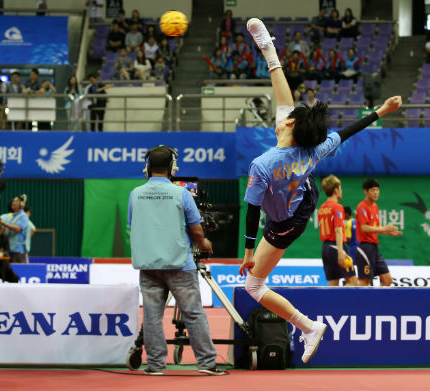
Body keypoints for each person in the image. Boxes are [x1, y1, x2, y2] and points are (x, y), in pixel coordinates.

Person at [240, 17, 402, 364]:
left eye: (289, 116)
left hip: (284, 222)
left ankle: (308, 326)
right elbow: (347, 131)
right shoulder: (313, 147)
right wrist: (381, 110)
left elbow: (253, 211)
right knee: (284, 100)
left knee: (253, 286)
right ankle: (268, 48)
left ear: (290, 125)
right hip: (303, 195)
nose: (284, 114)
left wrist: (249, 251)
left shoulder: (263, 164)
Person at [128, 145, 224, 376]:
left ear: (147, 168)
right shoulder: (181, 194)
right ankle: (207, 363)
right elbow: (197, 231)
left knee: (152, 316)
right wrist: (205, 245)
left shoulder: (135, 194)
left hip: (149, 266)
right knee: (193, 313)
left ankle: (155, 365)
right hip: (180, 265)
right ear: (173, 168)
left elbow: (134, 224)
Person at [355, 178, 402, 286]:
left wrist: (388, 232)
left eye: (377, 190)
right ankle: (355, 300)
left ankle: (376, 301)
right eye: (373, 190)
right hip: (365, 248)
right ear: (366, 192)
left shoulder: (375, 207)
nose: (376, 192)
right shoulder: (362, 206)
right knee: (364, 282)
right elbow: (364, 228)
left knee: (387, 280)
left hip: (374, 248)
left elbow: (376, 228)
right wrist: (385, 229)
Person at [318, 175, 357, 286]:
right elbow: (338, 230)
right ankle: (345, 303)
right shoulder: (337, 207)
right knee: (353, 282)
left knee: (333, 284)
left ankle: (331, 304)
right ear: (336, 190)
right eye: (340, 188)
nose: (341, 191)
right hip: (336, 247)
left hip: (326, 248)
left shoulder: (322, 208)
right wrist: (340, 252)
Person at [0, 218, 20, 282]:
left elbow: (7, 252)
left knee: (14, 278)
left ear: (0, 231)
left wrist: (3, 254)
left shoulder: (3, 238)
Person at [0, 195, 29, 263]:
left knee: (17, 270)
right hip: (9, 249)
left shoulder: (23, 216)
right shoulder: (11, 216)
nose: (13, 203)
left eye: (16, 201)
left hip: (17, 250)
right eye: (13, 201)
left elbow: (18, 229)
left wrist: (5, 224)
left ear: (21, 204)